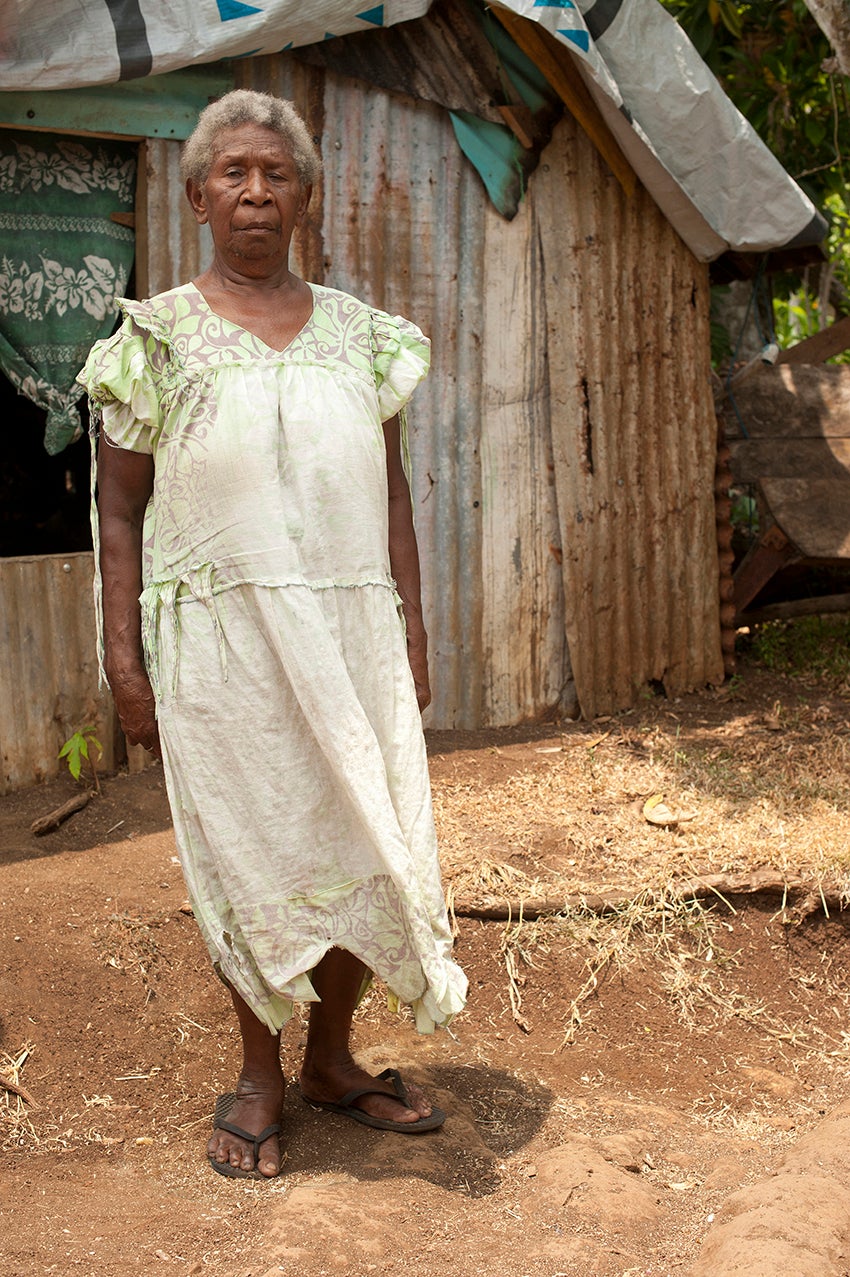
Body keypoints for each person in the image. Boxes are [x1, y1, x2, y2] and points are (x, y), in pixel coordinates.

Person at [78, 90, 467, 1181]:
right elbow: (117, 510)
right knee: (253, 852)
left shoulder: (362, 336)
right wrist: (124, 658)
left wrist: (414, 624)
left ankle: (332, 1060)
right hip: (223, 644)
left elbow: (390, 492)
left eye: (276, 172)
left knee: (359, 838)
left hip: (350, 632)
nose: (256, 190)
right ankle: (258, 1071)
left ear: (305, 193)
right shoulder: (154, 338)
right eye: (234, 173)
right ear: (198, 195)